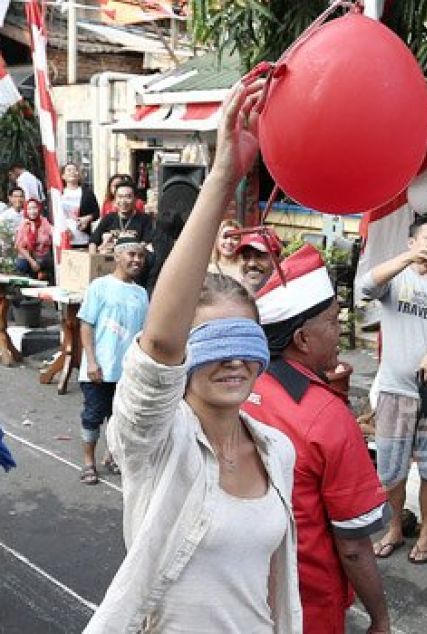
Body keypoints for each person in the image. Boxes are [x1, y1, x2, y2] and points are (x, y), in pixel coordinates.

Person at [87, 78, 301, 632]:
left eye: (245, 343)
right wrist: (224, 176)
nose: (233, 361)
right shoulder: (155, 440)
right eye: (213, 343)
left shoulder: (277, 450)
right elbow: (159, 345)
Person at [245, 243, 391, 633]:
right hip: (307, 603)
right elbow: (354, 545)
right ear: (302, 339)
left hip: (242, 591)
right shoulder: (327, 416)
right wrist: (380, 618)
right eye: (332, 320)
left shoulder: (239, 387)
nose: (340, 329)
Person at [362, 214, 427, 564]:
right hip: (395, 391)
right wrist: (410, 259)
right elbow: (365, 286)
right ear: (412, 242)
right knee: (391, 470)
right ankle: (394, 528)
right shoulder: (396, 279)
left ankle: (425, 535)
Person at [76, 235, 149, 485]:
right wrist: (92, 362)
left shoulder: (141, 294)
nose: (137, 260)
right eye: (131, 254)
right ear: (117, 256)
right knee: (93, 416)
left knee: (120, 419)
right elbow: (86, 324)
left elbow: (142, 334)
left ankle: (112, 457)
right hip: (100, 369)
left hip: (127, 372)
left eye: (140, 255)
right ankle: (88, 463)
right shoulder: (99, 286)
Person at [89, 182, 155, 254]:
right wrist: (93, 258)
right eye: (120, 197)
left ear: (135, 198)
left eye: (128, 197)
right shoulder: (108, 218)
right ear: (115, 199)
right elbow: (93, 241)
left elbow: (145, 243)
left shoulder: (145, 219)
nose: (123, 201)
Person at [59, 162, 100, 250]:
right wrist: (63, 228)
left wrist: (87, 218)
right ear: (63, 176)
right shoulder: (59, 193)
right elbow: (53, 216)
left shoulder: (87, 193)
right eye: (69, 170)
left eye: (75, 170)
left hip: (83, 238)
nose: (72, 172)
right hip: (64, 238)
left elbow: (97, 213)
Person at [14, 198, 53, 281]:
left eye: (35, 208)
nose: (32, 211)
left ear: (39, 208)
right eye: (29, 209)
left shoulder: (44, 221)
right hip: (28, 258)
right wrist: (32, 262)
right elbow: (19, 246)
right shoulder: (24, 224)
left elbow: (52, 233)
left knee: (46, 264)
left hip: (42, 256)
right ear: (26, 211)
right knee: (22, 264)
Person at [237, 230, 284, 294]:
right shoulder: (231, 295)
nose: (251, 264)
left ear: (278, 260)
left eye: (259, 256)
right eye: (246, 257)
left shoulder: (286, 296)